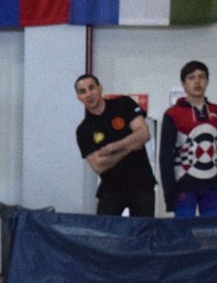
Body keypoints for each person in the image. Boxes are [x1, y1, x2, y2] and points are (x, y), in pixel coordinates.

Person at [73, 74, 157, 217]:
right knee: (104, 230)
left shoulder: (123, 104)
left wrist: (113, 147)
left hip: (142, 184)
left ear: (100, 89)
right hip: (111, 189)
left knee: (144, 230)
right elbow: (99, 166)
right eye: (83, 91)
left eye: (91, 88)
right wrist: (129, 147)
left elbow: (144, 134)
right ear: (79, 97)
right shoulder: (84, 130)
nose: (88, 94)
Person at [159, 60, 217, 218]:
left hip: (213, 186)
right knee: (183, 231)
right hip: (183, 187)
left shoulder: (216, 111)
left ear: (207, 81)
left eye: (201, 77)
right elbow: (165, 156)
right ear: (184, 84)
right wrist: (169, 192)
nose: (197, 82)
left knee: (213, 230)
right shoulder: (173, 114)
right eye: (191, 78)